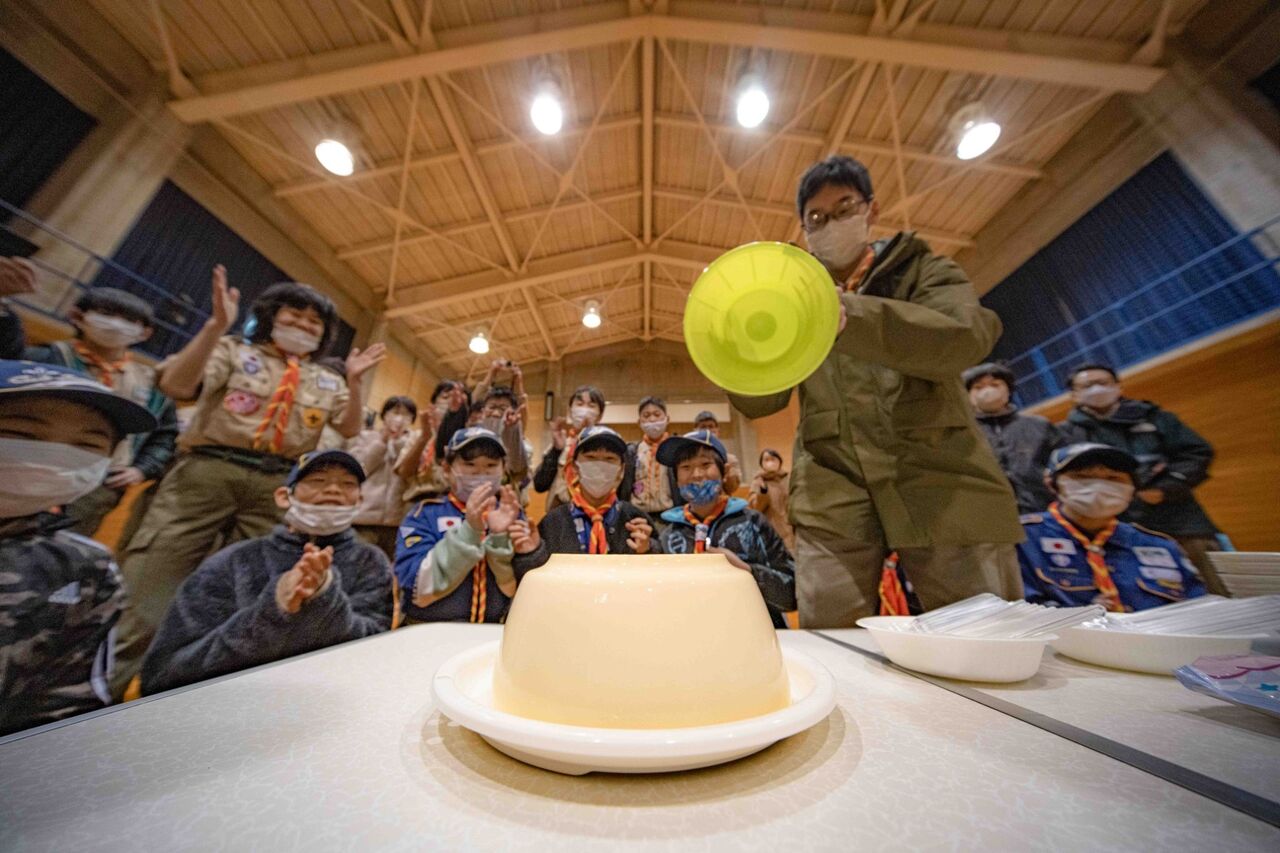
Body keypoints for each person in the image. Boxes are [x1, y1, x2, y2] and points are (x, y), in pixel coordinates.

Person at [728, 155, 1023, 628]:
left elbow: (965, 336)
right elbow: (761, 402)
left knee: (981, 634)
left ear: (872, 209)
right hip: (833, 490)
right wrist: (740, 354)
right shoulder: (791, 296)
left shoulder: (923, 270)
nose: (831, 224)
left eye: (844, 209)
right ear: (804, 229)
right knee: (831, 640)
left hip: (941, 478)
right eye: (817, 218)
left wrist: (849, 316)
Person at [110, 265, 386, 699]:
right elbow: (176, 384)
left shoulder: (326, 379)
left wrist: (354, 382)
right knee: (149, 591)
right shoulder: (233, 351)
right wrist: (215, 326)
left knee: (252, 592)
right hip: (208, 472)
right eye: (294, 315)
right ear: (272, 316)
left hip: (276, 485)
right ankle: (105, 698)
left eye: (314, 321)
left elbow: (349, 427)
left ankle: (214, 697)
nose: (304, 325)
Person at [140, 449, 393, 694]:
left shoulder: (371, 561)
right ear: (283, 496)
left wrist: (324, 596)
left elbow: (371, 654)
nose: (334, 490)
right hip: (237, 704)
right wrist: (276, 606)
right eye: (318, 481)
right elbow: (165, 673)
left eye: (348, 484)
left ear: (360, 501)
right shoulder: (233, 561)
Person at [0, 360, 157, 735]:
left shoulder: (87, 570)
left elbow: (65, 706)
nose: (54, 457)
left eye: (86, 446)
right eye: (22, 434)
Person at [0, 286, 178, 536]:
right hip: (22, 469)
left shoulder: (152, 383)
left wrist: (143, 468)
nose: (116, 324)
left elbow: (165, 434)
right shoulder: (41, 357)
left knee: (60, 547)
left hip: (98, 484)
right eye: (106, 314)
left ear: (145, 333)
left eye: (129, 320)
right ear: (77, 316)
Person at [1057, 363, 1226, 595]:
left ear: (1118, 387)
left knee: (1213, 588)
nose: (1096, 389)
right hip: (1113, 529)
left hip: (1180, 522)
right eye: (1087, 386)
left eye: (1102, 383)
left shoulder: (1155, 418)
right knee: (1140, 595)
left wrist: (1165, 489)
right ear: (1074, 394)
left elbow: (1197, 453)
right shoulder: (1065, 433)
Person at [1019, 443, 1206, 612]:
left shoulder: (1161, 546)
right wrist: (1079, 615)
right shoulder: (1022, 537)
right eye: (1082, 477)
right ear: (1052, 483)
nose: (1098, 487)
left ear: (1133, 488)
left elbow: (1197, 609)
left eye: (1113, 478)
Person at [656, 430, 796, 629]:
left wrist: (747, 572)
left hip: (751, 634)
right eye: (686, 467)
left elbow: (791, 595)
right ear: (676, 479)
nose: (696, 474)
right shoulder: (669, 535)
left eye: (706, 465)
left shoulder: (752, 523)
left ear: (724, 471)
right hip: (691, 634)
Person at [393, 427, 522, 623]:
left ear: (503, 469)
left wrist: (499, 538)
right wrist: (470, 530)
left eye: (491, 465)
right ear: (447, 469)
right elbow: (416, 587)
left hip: (492, 630)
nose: (481, 473)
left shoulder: (512, 513)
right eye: (470, 464)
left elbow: (516, 587)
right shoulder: (424, 514)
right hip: (430, 629)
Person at [510, 426, 655, 577]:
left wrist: (648, 549)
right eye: (591, 458)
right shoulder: (553, 522)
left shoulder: (635, 519)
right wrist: (533, 553)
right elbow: (534, 576)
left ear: (621, 469)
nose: (600, 467)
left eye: (609, 459)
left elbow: (656, 572)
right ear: (575, 467)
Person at [963, 362, 1059, 515]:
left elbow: (1061, 467)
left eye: (995, 384)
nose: (988, 391)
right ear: (968, 395)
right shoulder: (964, 433)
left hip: (1045, 510)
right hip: (990, 514)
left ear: (1008, 389)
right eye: (978, 387)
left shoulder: (1039, 425)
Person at [348, 395, 417, 559]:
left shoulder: (414, 443)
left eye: (406, 414)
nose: (399, 418)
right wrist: (382, 442)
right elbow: (359, 470)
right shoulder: (366, 437)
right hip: (363, 519)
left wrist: (400, 443)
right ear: (384, 414)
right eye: (395, 412)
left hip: (396, 522)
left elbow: (411, 474)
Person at [533, 384, 606, 513]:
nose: (584, 410)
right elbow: (540, 485)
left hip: (592, 515)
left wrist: (589, 440)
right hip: (557, 515)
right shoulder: (562, 443)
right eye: (580, 404)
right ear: (570, 411)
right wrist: (556, 450)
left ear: (600, 415)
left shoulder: (606, 448)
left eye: (591, 406)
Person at [396, 379, 470, 504]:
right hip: (414, 504)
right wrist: (424, 438)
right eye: (446, 397)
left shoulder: (468, 439)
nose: (451, 402)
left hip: (450, 504)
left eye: (459, 399)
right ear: (433, 405)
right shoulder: (417, 435)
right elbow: (404, 473)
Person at [622, 396, 677, 526]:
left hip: (670, 516)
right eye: (646, 416)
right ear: (639, 422)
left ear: (667, 419)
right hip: (638, 516)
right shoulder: (632, 451)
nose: (652, 419)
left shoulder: (675, 450)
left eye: (657, 414)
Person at [475, 387, 532, 500]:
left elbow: (518, 470)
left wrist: (511, 430)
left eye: (503, 409)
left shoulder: (518, 440)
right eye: (492, 407)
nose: (496, 413)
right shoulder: (470, 436)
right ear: (482, 411)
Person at [749, 448, 796, 553]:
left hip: (791, 531)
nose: (770, 462)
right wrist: (763, 492)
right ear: (761, 464)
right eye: (766, 459)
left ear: (779, 461)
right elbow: (755, 508)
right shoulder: (758, 482)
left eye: (773, 459)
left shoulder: (788, 479)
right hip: (771, 531)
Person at [692, 410, 742, 493]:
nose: (707, 430)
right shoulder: (688, 458)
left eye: (711, 426)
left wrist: (727, 472)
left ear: (718, 431)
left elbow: (732, 488)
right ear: (695, 431)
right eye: (703, 427)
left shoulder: (729, 459)